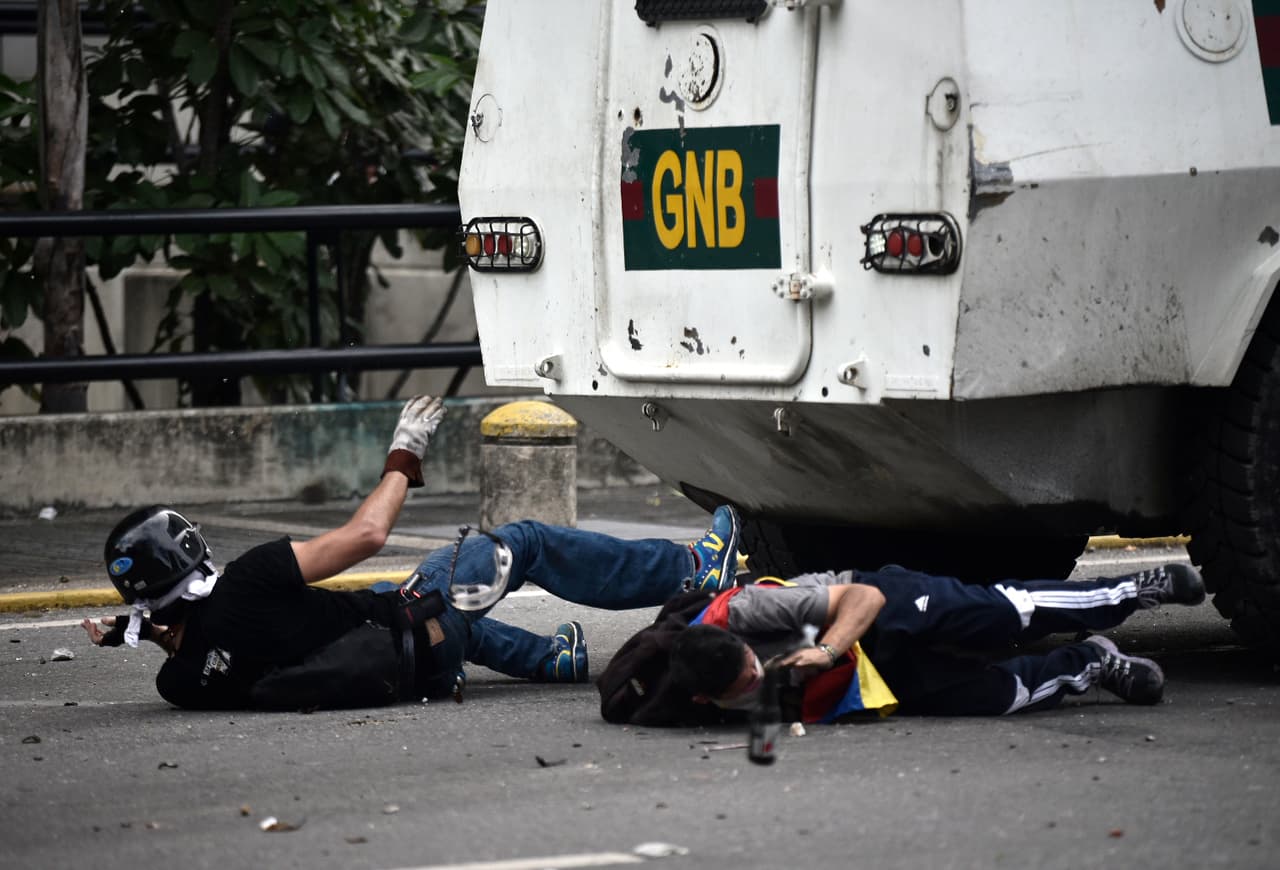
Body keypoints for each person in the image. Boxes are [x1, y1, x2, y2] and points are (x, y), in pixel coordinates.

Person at [81, 396, 742, 710]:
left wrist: (129, 629)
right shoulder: (247, 584)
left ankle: (553, 658)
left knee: (442, 601)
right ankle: (692, 570)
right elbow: (365, 537)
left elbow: (183, 634)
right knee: (520, 544)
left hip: (414, 672)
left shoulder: (180, 681)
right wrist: (406, 453)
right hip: (417, 629)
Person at [667, 506, 1207, 721]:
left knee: (1005, 614)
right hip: (869, 674)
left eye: (751, 667)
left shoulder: (743, 612)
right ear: (707, 699)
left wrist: (827, 650)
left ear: (740, 643)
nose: (755, 682)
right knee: (995, 697)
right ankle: (1090, 664)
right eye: (743, 688)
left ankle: (1133, 590)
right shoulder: (699, 697)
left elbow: (865, 600)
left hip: (874, 606)